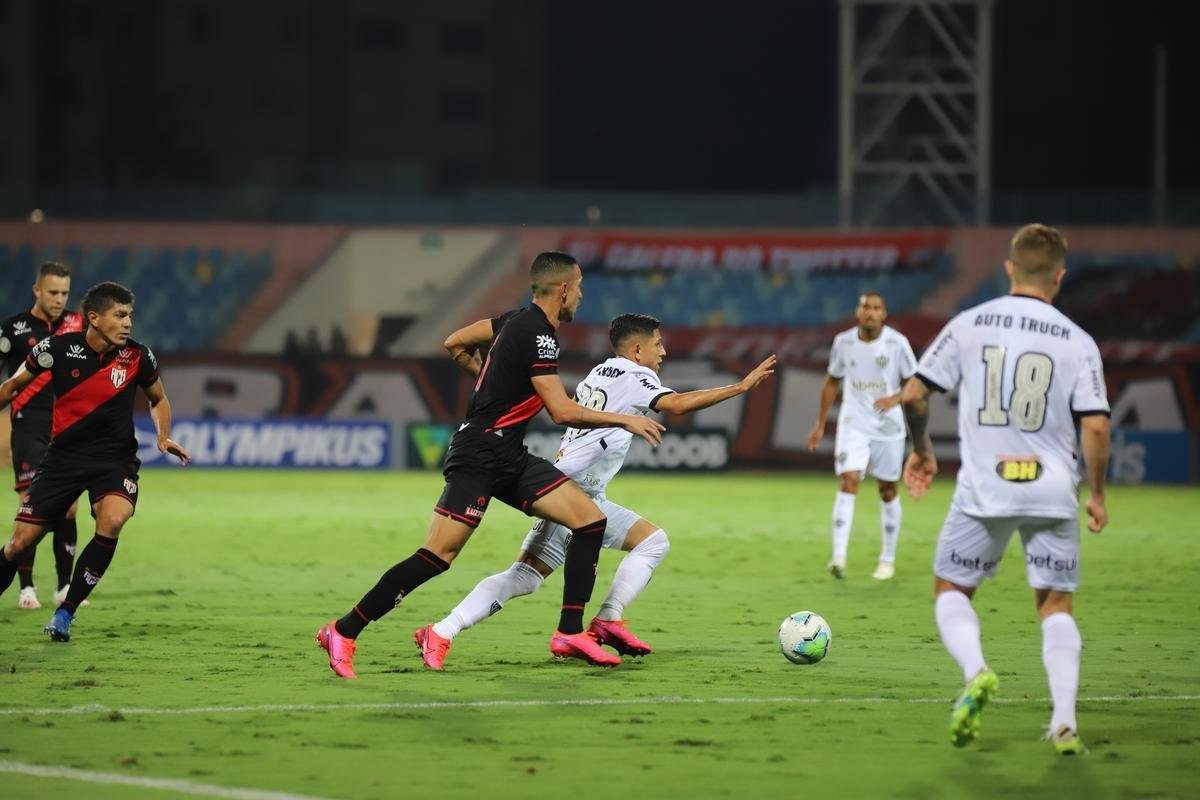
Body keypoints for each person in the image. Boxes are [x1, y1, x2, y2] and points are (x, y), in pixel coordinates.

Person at [316, 251, 665, 679]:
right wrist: (625, 417)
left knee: (589, 520)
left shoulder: (509, 322)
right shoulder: (539, 336)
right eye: (579, 289)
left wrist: (490, 378)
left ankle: (571, 632)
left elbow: (455, 343)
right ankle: (343, 630)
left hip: (510, 454)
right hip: (480, 453)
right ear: (563, 289)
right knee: (437, 556)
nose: (580, 297)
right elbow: (561, 411)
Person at [413, 314, 776, 670]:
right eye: (658, 344)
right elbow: (676, 405)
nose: (663, 352)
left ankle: (606, 620)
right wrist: (740, 388)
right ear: (637, 350)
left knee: (641, 545)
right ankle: (443, 630)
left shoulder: (601, 370)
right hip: (571, 491)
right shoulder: (638, 375)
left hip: (583, 489)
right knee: (526, 576)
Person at [900, 224, 1110, 756]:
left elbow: (915, 393)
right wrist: (1099, 494)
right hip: (1053, 487)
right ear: (1060, 276)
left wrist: (921, 449)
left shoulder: (969, 324)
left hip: (984, 488)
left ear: (1009, 268)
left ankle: (976, 671)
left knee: (951, 590)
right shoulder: (1077, 340)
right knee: (1056, 604)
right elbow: (1097, 427)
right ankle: (1064, 723)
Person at [0, 281, 191, 641]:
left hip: (114, 461)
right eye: (119, 315)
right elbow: (12, 387)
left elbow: (158, 399)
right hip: (63, 460)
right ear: (94, 318)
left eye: (130, 316)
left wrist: (163, 435)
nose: (128, 323)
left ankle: (65, 612)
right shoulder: (55, 349)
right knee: (20, 543)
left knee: (114, 519)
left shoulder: (138, 356)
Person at [806, 292, 917, 580]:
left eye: (876, 308)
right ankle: (839, 557)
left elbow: (916, 382)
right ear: (857, 312)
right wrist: (819, 425)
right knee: (849, 479)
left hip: (888, 427)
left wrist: (895, 399)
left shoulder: (896, 343)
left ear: (884, 314)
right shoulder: (843, 342)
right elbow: (832, 382)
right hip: (853, 423)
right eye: (866, 306)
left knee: (887, 489)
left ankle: (887, 560)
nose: (870, 312)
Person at [0, 262, 85, 609]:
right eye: (52, 292)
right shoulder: (13, 329)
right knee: (30, 507)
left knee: (68, 509)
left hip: (67, 425)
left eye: (64, 293)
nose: (59, 299)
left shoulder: (78, 325)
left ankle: (64, 587)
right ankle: (27, 587)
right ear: (37, 290)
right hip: (30, 424)